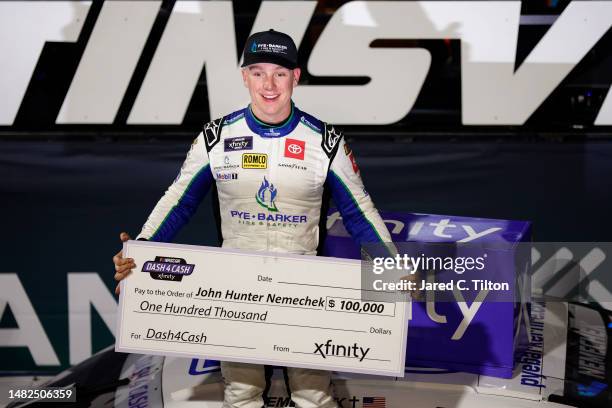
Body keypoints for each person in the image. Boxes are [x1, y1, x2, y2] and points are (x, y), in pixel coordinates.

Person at [113, 29, 395, 408]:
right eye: (258, 72)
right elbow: (178, 203)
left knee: (313, 396)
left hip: (305, 289)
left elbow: (360, 212)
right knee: (242, 395)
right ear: (244, 76)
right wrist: (140, 251)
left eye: (279, 73)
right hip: (236, 289)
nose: (269, 84)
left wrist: (392, 266)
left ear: (295, 77)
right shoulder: (216, 137)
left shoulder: (326, 141)